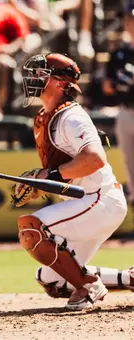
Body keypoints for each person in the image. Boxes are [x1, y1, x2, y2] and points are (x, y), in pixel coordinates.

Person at [13, 53, 133, 311]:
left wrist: (46, 176)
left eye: (41, 73)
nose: (33, 78)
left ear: (58, 82)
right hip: (88, 202)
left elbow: (95, 158)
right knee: (52, 280)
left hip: (100, 200)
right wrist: (40, 182)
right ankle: (128, 278)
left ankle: (89, 285)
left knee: (31, 228)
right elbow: (63, 169)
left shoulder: (71, 116)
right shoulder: (46, 116)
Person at [102, 1, 134, 226]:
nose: (130, 23)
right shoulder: (120, 52)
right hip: (125, 110)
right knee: (131, 167)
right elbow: (107, 86)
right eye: (128, 19)